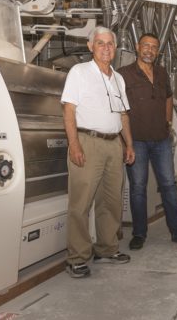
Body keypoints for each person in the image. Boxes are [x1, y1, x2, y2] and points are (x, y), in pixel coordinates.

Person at [61, 26, 135, 278]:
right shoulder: (79, 72)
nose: (106, 48)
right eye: (100, 43)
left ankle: (106, 248)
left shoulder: (118, 78)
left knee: (112, 201)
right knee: (80, 203)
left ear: (115, 49)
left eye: (110, 44)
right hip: (87, 141)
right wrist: (74, 144)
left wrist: (129, 144)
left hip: (114, 144)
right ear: (91, 46)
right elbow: (69, 110)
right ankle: (77, 257)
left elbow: (123, 114)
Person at [118, 33, 177, 250]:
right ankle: (139, 233)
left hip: (161, 140)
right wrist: (126, 141)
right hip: (137, 142)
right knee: (138, 188)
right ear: (137, 47)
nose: (149, 50)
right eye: (146, 46)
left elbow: (169, 98)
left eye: (154, 47)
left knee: (169, 185)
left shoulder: (161, 73)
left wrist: (168, 123)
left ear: (158, 51)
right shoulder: (124, 75)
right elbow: (118, 109)